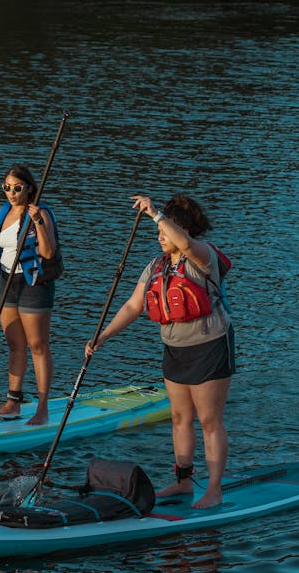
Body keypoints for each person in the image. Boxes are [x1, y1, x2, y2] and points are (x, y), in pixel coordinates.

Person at [86, 194, 233, 509]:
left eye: (166, 230)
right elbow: (133, 306)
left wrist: (156, 214)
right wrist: (103, 336)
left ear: (183, 231)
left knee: (209, 420)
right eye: (158, 231)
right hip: (175, 349)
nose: (160, 236)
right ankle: (183, 481)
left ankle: (214, 490)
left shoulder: (203, 257)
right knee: (180, 418)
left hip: (209, 348)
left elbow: (188, 245)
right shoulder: (155, 266)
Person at [0, 165, 60, 427]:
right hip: (7, 281)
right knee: (14, 345)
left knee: (37, 346)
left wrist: (38, 223)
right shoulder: (4, 212)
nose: (11, 193)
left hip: (33, 282)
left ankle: (42, 409)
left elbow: (48, 252)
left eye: (17, 188)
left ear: (29, 188)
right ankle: (13, 402)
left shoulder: (40, 212)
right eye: (7, 187)